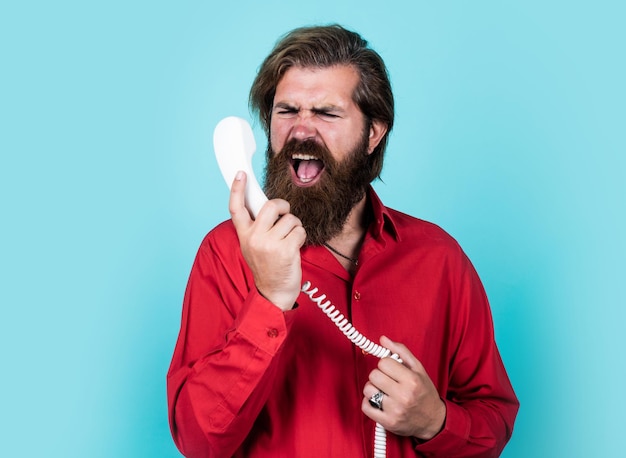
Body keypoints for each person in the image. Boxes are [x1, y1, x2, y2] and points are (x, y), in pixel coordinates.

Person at [167, 24, 519, 457]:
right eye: (287, 111)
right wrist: (270, 298)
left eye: (327, 113)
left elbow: (493, 419)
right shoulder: (225, 253)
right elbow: (199, 439)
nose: (301, 130)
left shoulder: (439, 259)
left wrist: (435, 421)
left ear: (373, 133)